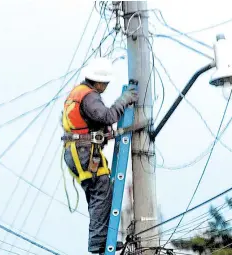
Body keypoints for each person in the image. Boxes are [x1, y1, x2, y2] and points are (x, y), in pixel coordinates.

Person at [61, 57, 138, 253]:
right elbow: (108, 116)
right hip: (83, 152)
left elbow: (87, 122)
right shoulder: (89, 96)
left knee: (99, 194)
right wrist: (124, 100)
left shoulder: (77, 93)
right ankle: (98, 241)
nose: (105, 86)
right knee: (101, 192)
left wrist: (101, 133)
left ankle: (101, 239)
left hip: (78, 151)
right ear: (98, 81)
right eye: (105, 83)